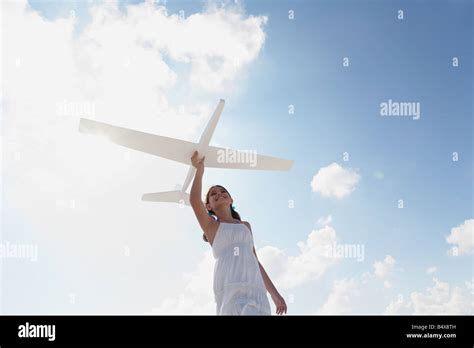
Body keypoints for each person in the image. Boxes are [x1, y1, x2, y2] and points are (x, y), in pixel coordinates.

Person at [189, 150, 287, 315]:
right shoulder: (211, 226)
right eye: (213, 194)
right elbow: (194, 200)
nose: (219, 194)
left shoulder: (245, 226)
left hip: (254, 287)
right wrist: (199, 170)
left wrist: (275, 294)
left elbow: (255, 260)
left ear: (231, 199)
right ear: (208, 206)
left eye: (222, 191)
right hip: (229, 286)